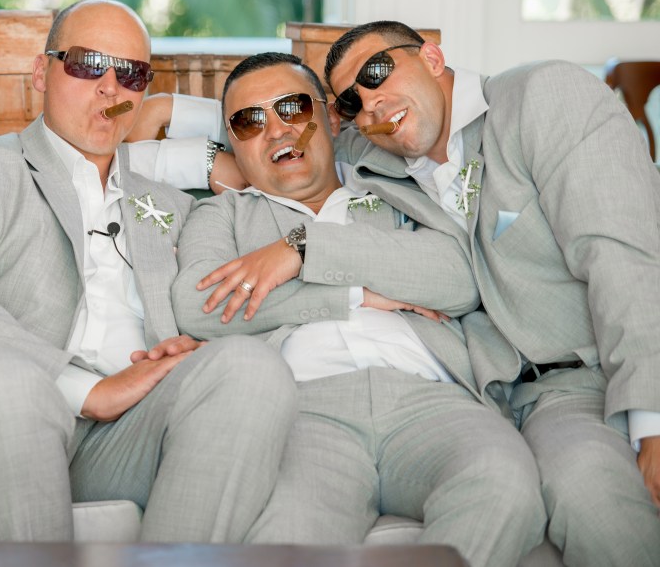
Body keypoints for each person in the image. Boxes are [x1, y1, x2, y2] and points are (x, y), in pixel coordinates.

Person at [0, 0, 297, 542]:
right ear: (42, 73)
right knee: (8, 386)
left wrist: (192, 347)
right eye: (87, 64)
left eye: (132, 75)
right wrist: (87, 390)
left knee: (251, 367)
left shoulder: (173, 205)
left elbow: (290, 150)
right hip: (3, 405)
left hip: (131, 430)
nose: (111, 89)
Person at [170, 52, 546, 567]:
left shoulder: (394, 188)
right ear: (234, 142)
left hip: (432, 398)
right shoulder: (223, 215)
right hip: (305, 410)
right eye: (249, 121)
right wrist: (357, 295)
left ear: (330, 118)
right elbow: (198, 305)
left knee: (507, 488)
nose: (277, 131)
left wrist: (304, 253)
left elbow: (459, 278)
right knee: (286, 537)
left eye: (293, 108)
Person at [324, 21, 660, 567]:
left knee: (594, 502)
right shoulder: (367, 154)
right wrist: (185, 136)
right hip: (476, 403)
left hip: (587, 378)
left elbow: (625, 255)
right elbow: (277, 131)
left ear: (432, 58)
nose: (370, 103)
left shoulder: (543, 96)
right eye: (350, 101)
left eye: (377, 72)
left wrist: (653, 421)